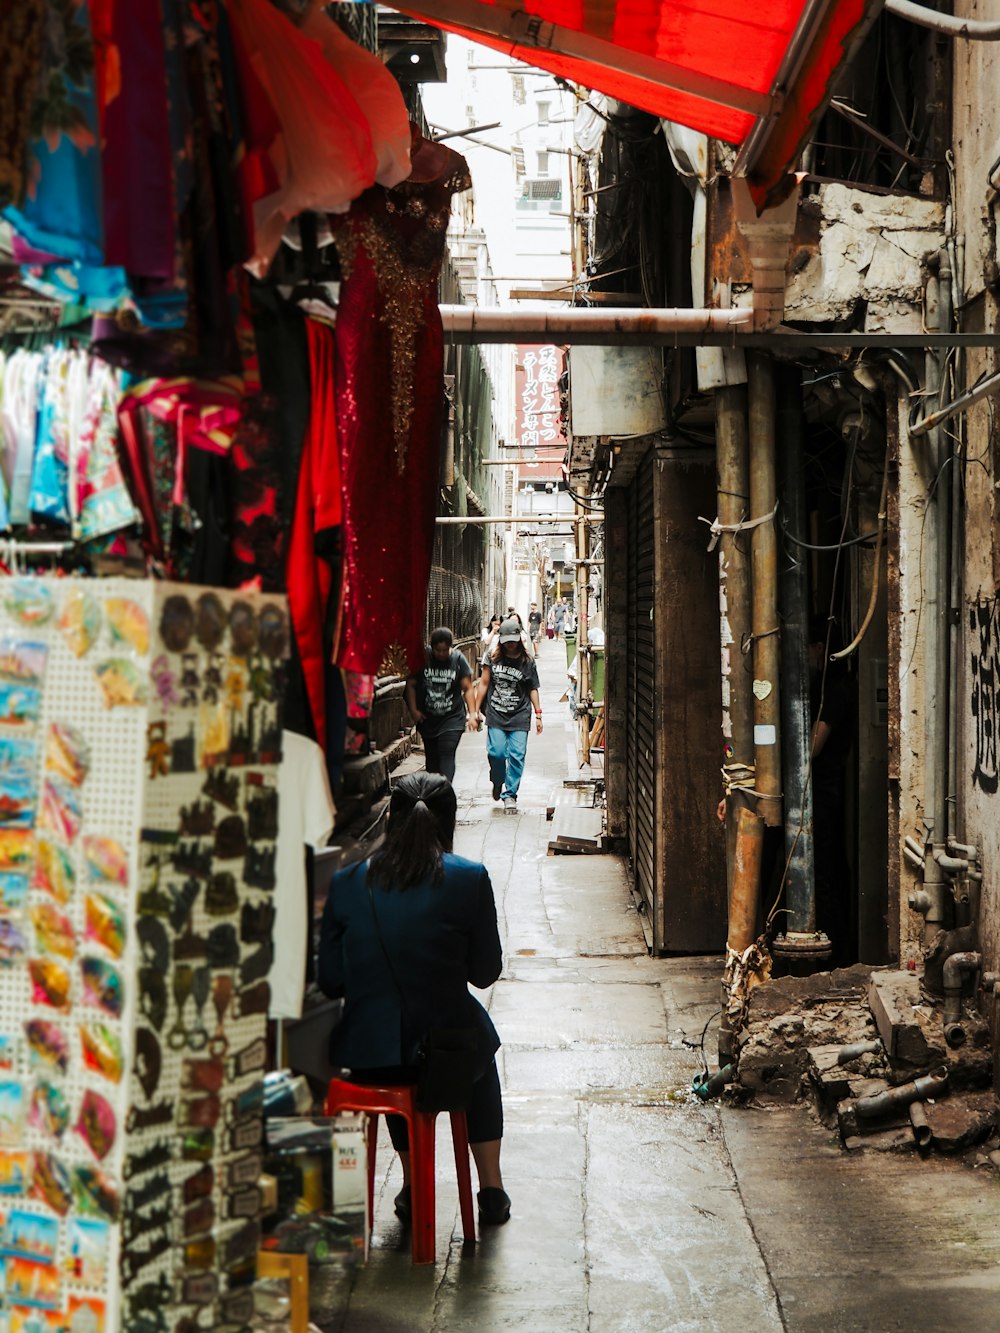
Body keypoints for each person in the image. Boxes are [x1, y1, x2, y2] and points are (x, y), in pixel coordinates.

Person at [318, 773, 510, 1225]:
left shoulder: (347, 883)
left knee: (392, 1040)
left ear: (390, 819)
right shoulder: (469, 878)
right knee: (476, 1042)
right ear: (449, 821)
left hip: (370, 1058)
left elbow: (330, 981)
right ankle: (491, 1186)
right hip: (446, 1057)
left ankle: (410, 1181)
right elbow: (486, 974)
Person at [476, 619, 542, 813]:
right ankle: (497, 779)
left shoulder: (527, 661)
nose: (511, 644)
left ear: (519, 639)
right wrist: (475, 711)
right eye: (507, 640)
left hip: (520, 714)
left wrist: (538, 714)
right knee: (496, 753)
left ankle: (510, 794)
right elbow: (484, 683)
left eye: (514, 640)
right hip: (496, 713)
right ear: (502, 640)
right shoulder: (492, 657)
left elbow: (533, 688)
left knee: (517, 755)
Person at [404, 627, 478, 782]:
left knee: (447, 752)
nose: (442, 654)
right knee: (432, 759)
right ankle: (434, 793)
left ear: (451, 647)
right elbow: (410, 684)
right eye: (438, 650)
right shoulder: (423, 658)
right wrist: (413, 710)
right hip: (428, 718)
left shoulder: (458, 660)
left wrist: (472, 714)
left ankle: (445, 791)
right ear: (432, 647)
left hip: (452, 717)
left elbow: (467, 688)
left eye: (445, 650)